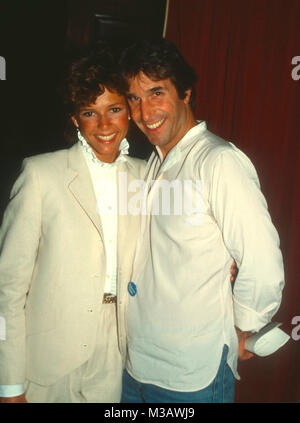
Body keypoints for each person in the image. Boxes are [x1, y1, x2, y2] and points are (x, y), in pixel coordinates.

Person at [119, 38, 285, 403]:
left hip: (190, 377)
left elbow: (263, 261)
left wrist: (245, 326)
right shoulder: (153, 164)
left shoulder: (218, 161)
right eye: (134, 98)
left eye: (156, 93)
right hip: (134, 366)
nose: (145, 112)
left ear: (186, 93)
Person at [0, 45, 145, 403]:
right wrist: (10, 384)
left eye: (114, 109)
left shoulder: (148, 178)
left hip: (117, 350)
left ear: (128, 111)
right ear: (74, 119)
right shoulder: (40, 174)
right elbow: (8, 289)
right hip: (47, 361)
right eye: (89, 113)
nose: (105, 125)